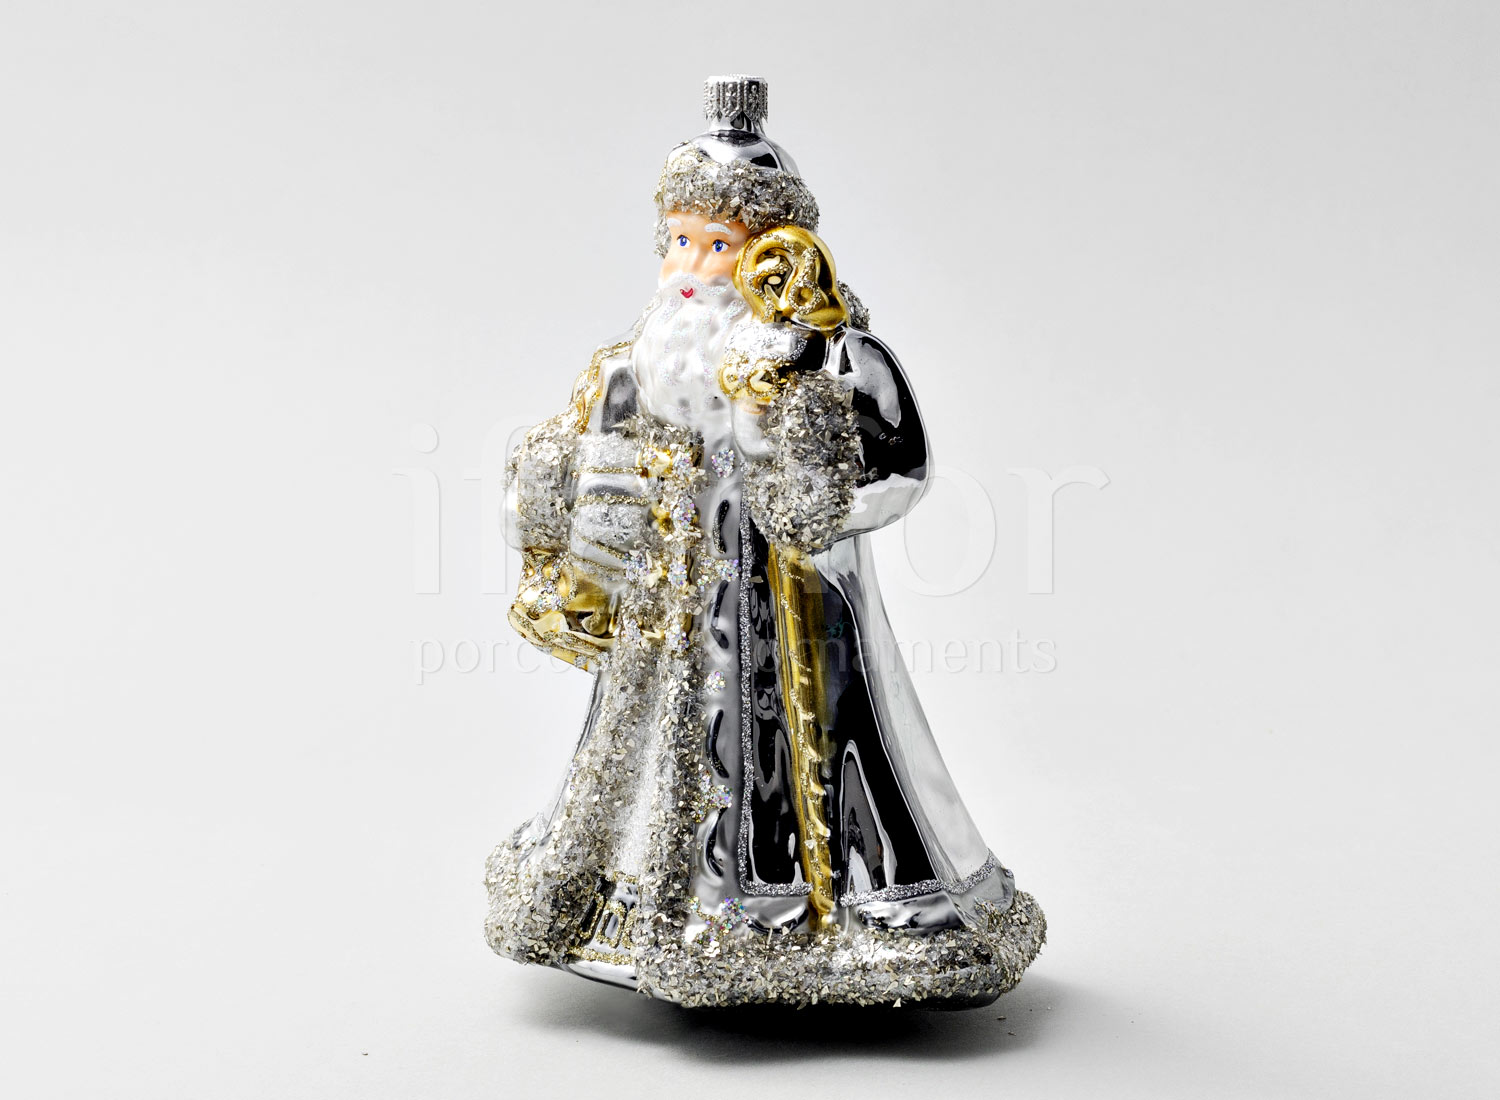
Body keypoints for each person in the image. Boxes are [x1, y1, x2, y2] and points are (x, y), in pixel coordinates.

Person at [485, 76, 1044, 1007]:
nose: (692, 268)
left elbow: (902, 465)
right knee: (647, 743)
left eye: (718, 245)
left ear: (775, 250)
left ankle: (825, 911)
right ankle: (638, 906)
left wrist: (814, 490)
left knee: (815, 743)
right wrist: (562, 494)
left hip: (795, 610)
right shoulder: (643, 360)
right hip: (668, 616)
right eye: (679, 243)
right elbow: (592, 467)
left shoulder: (831, 351)